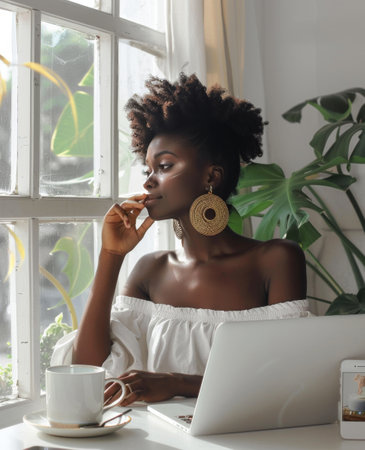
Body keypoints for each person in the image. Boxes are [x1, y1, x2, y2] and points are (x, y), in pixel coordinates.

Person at [52, 73, 309, 407]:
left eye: (164, 166)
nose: (149, 183)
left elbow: (287, 379)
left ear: (211, 176)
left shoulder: (276, 260)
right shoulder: (150, 270)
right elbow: (89, 369)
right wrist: (110, 255)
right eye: (148, 170)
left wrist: (177, 383)